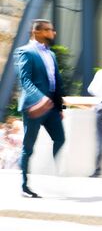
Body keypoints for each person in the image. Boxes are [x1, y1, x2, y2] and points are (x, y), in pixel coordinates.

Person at [14, 19, 65, 198]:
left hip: (51, 108)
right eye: (49, 30)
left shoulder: (50, 54)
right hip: (34, 106)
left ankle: (52, 174)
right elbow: (25, 81)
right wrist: (40, 98)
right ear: (38, 32)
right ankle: (24, 185)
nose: (53, 32)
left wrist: (59, 107)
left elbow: (56, 82)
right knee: (29, 147)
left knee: (60, 138)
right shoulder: (25, 52)